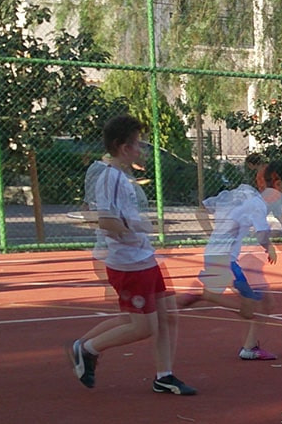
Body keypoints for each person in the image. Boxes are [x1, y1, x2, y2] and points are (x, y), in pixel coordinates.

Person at [68, 114, 196, 395]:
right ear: (123, 147)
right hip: (128, 262)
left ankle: (164, 376)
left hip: (142, 257)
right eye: (137, 144)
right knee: (142, 327)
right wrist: (137, 228)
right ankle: (88, 349)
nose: (141, 149)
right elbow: (106, 220)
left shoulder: (120, 176)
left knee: (167, 315)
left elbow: (119, 217)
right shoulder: (109, 177)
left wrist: (142, 227)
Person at [180, 160, 282, 360]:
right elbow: (261, 235)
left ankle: (249, 347)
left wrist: (215, 236)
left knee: (265, 303)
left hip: (224, 257)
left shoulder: (252, 200)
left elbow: (205, 210)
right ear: (278, 184)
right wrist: (270, 248)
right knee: (251, 308)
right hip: (227, 260)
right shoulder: (257, 203)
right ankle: (203, 295)